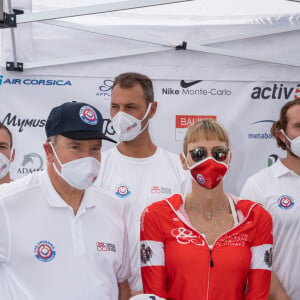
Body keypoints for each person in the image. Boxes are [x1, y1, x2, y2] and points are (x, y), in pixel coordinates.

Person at [0, 101, 131, 300]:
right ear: (49, 151)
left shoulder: (114, 207)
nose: (88, 158)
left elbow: (121, 283)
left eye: (95, 148)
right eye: (76, 147)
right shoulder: (7, 203)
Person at [140, 119, 273, 300]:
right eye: (198, 153)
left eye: (219, 153)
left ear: (229, 158)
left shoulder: (256, 217)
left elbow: (258, 296)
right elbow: (154, 295)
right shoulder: (157, 215)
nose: (210, 161)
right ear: (184, 161)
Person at [96, 72, 190, 295]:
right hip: (113, 293)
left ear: (152, 109)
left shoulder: (178, 167)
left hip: (167, 293)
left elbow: (190, 239)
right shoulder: (98, 167)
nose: (120, 116)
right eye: (115, 107)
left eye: (130, 107)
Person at [240, 99, 300, 300]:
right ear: (281, 135)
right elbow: (246, 249)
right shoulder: (259, 185)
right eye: (298, 127)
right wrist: (279, 295)